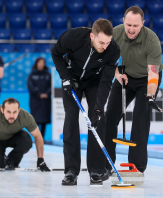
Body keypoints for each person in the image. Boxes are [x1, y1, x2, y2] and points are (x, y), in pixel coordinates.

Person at [51, 19, 120, 185]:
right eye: (101, 42)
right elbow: (55, 53)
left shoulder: (113, 50)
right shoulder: (73, 37)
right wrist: (65, 77)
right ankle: (71, 171)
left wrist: (98, 109)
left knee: (97, 121)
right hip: (71, 79)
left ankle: (96, 171)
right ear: (92, 36)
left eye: (107, 42)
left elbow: (106, 82)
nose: (104, 46)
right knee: (71, 119)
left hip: (94, 82)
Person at [103, 6, 163, 175]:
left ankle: (136, 167)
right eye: (128, 24)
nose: (131, 29)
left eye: (135, 26)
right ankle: (107, 164)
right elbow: (107, 60)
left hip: (147, 80)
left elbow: (153, 73)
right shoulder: (114, 33)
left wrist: (150, 95)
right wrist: (117, 74)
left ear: (142, 24)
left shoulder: (152, 39)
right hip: (125, 76)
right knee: (109, 118)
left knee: (140, 119)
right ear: (123, 21)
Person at [0, 98, 51, 171]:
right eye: (8, 112)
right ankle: (1, 158)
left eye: (14, 112)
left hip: (14, 137)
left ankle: (11, 161)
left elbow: (38, 136)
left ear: (18, 111)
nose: (12, 115)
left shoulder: (25, 116)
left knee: (26, 141)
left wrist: (40, 159)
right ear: (2, 110)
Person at [27, 58, 51, 141]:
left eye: (43, 63)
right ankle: (36, 138)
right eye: (39, 62)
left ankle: (42, 138)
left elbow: (51, 86)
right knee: (35, 120)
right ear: (36, 63)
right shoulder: (32, 75)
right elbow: (31, 86)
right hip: (35, 100)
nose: (41, 64)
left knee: (44, 120)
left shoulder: (48, 75)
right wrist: (39, 94)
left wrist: (47, 93)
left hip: (46, 101)